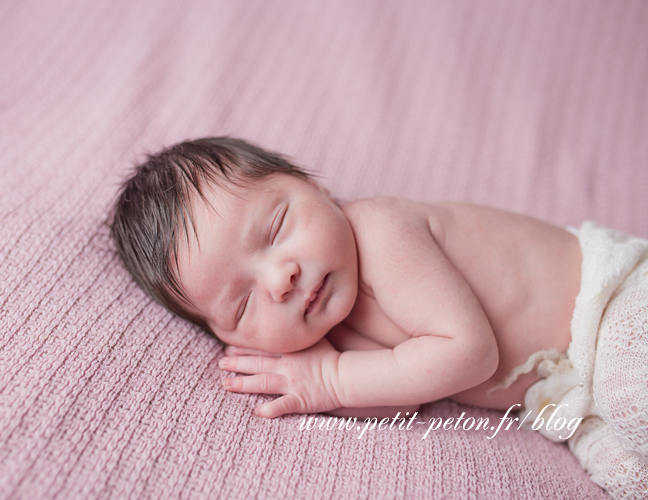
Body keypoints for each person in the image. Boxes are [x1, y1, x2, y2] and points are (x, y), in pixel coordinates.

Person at [111, 137, 647, 499]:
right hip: (570, 399)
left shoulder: (379, 230)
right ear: (227, 337)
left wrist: (331, 380)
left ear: (317, 190)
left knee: (632, 394)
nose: (281, 279)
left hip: (615, 303)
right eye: (243, 303)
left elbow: (468, 354)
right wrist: (325, 384)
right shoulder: (333, 329)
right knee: (625, 475)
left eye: (276, 228)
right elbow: (406, 395)